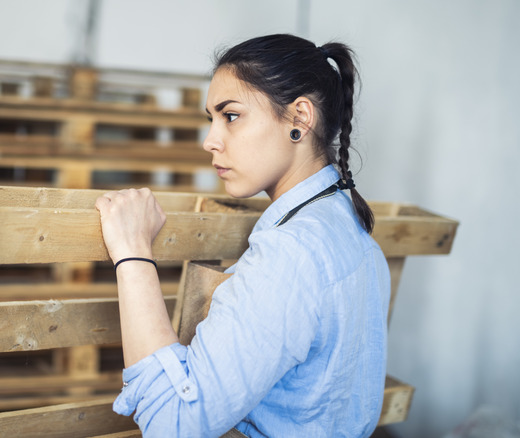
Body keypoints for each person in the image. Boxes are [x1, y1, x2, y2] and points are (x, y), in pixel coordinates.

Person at [94, 34, 390, 437]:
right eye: (210, 119)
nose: (210, 141)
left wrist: (132, 254)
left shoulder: (291, 252)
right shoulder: (350, 231)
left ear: (300, 119)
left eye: (230, 116)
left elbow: (173, 424)